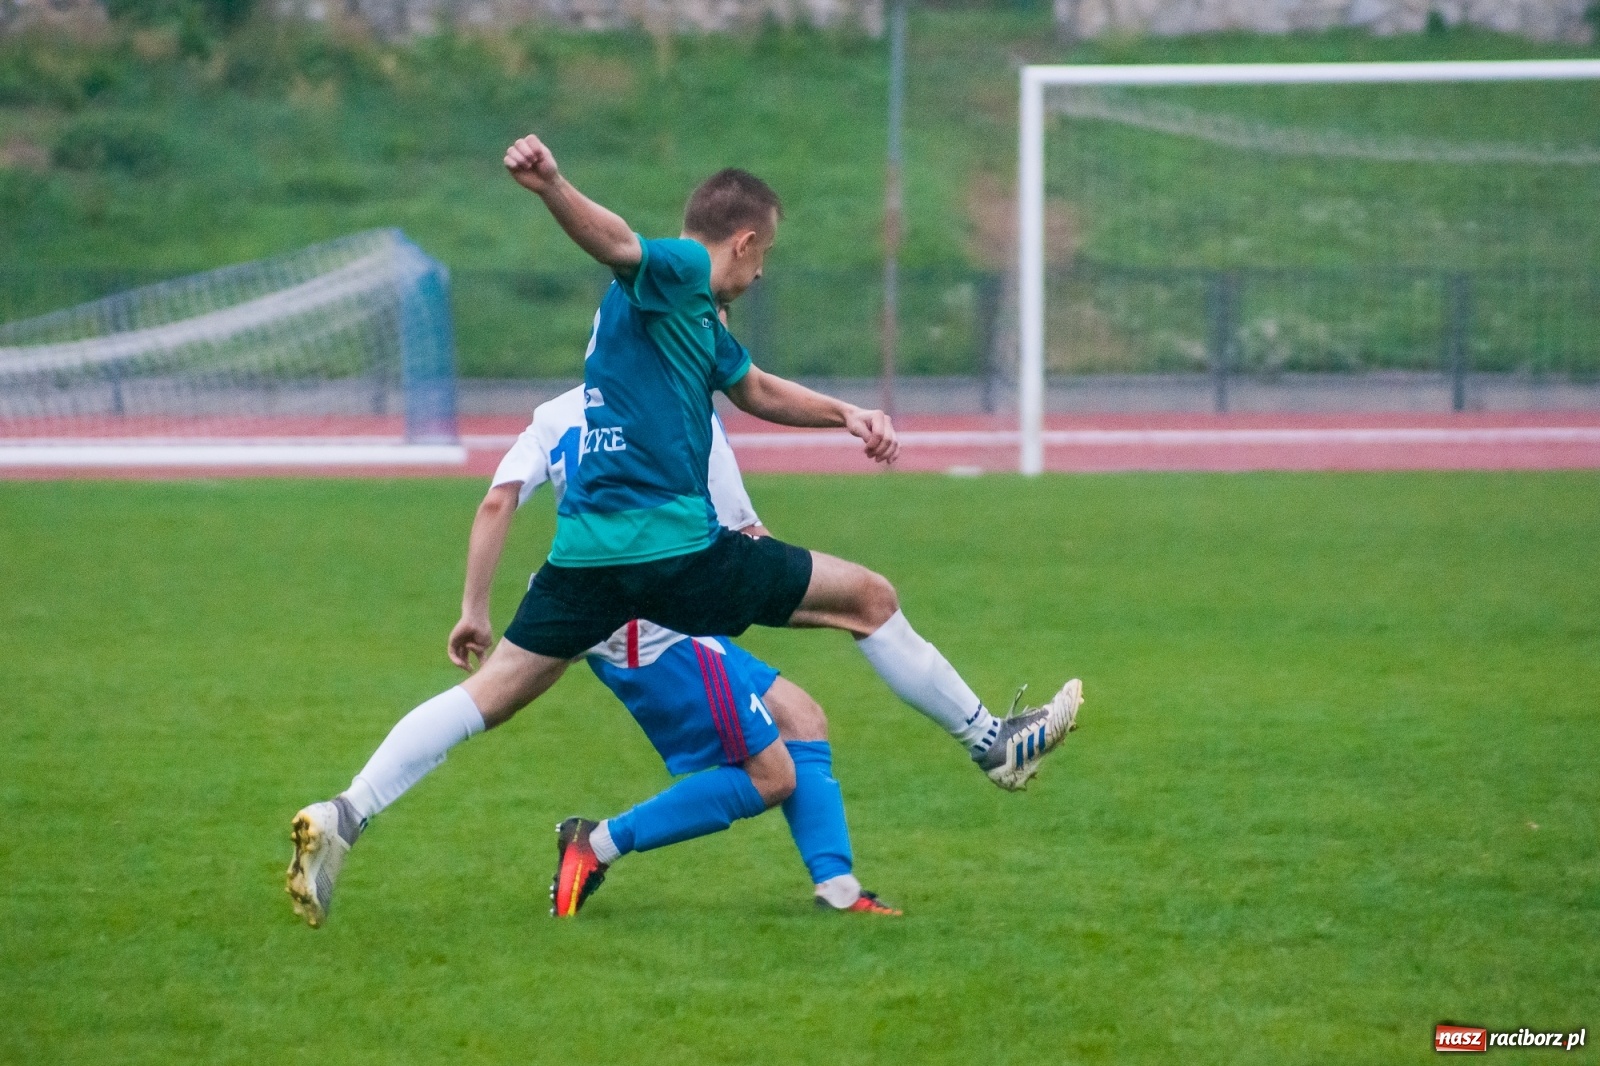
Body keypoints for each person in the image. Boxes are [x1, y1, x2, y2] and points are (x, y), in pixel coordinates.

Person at [285, 137, 1082, 928]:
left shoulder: (695, 320)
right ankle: (992, 743)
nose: (761, 273)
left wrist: (846, 414)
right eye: (764, 255)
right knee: (868, 599)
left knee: (487, 695)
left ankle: (345, 813)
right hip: (676, 552)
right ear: (743, 241)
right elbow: (616, 243)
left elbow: (754, 387)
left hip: (585, 556)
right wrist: (553, 184)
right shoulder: (679, 270)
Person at [479, 385, 900, 916]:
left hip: (667, 603)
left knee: (801, 716)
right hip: (650, 626)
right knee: (772, 775)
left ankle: (838, 889)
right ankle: (597, 844)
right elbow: (742, 527)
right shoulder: (667, 401)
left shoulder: (588, 407)